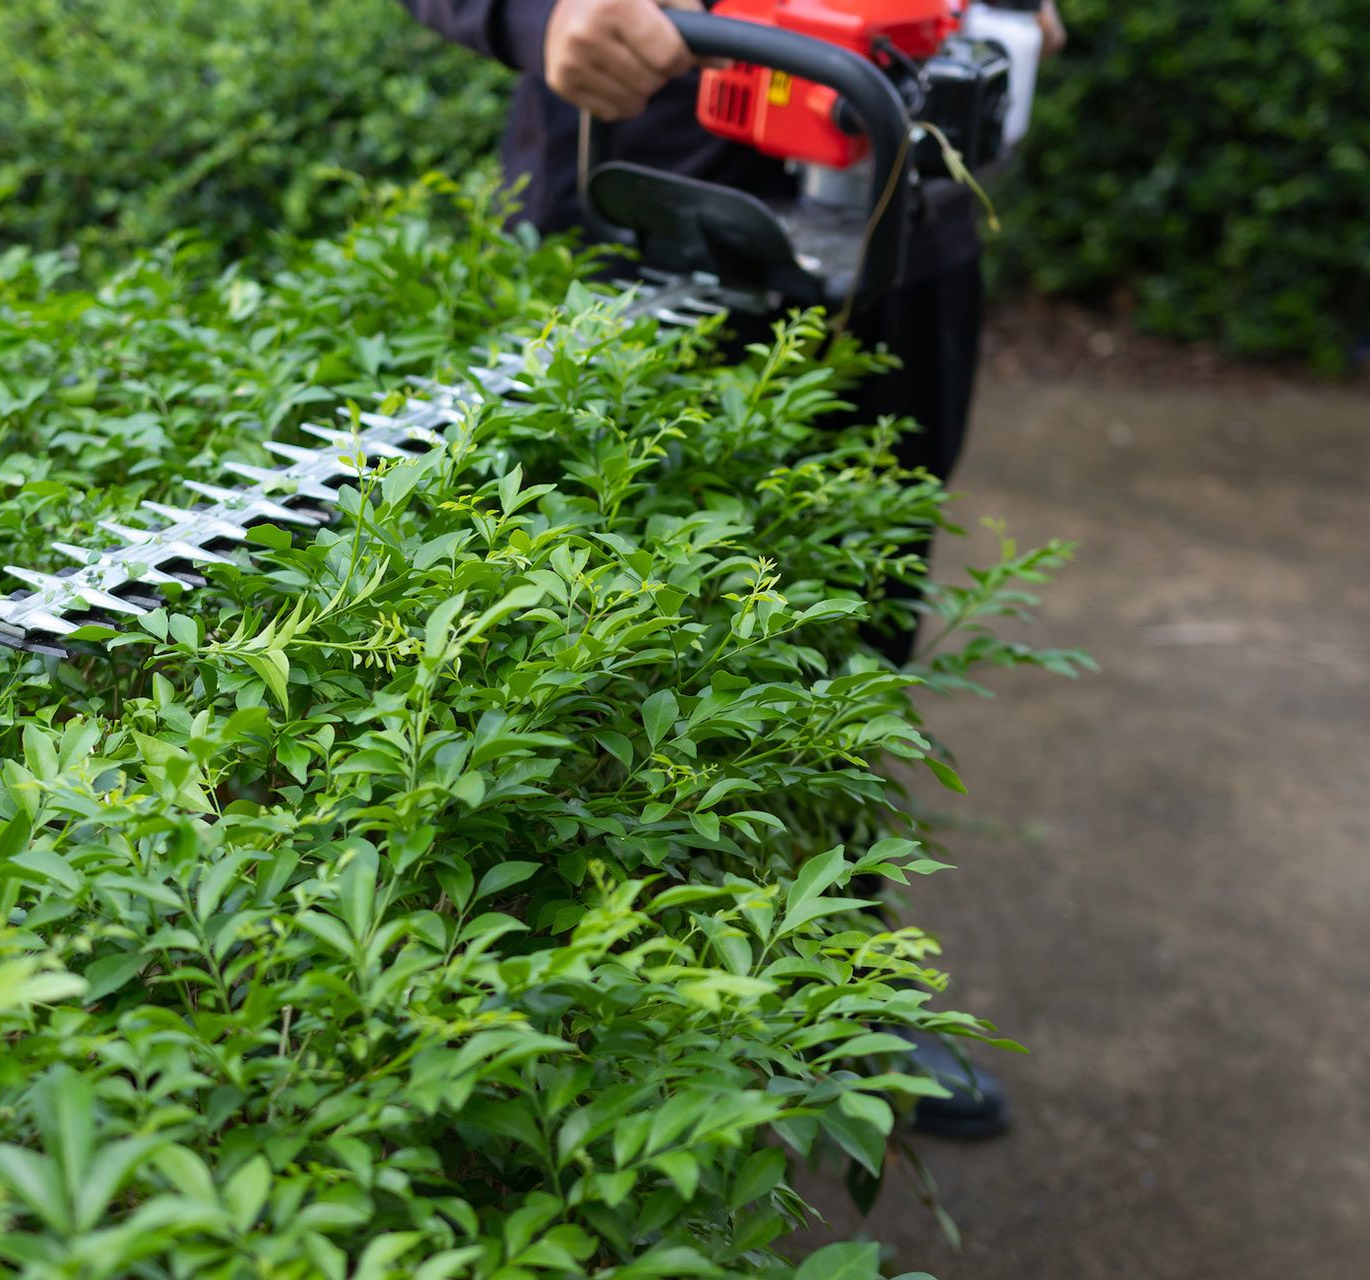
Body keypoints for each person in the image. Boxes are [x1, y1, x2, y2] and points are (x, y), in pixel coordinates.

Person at [398, 0, 1064, 1138]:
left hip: (902, 233)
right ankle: (582, 1030)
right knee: (596, 662)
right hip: (642, 216)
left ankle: (833, 986)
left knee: (858, 637)